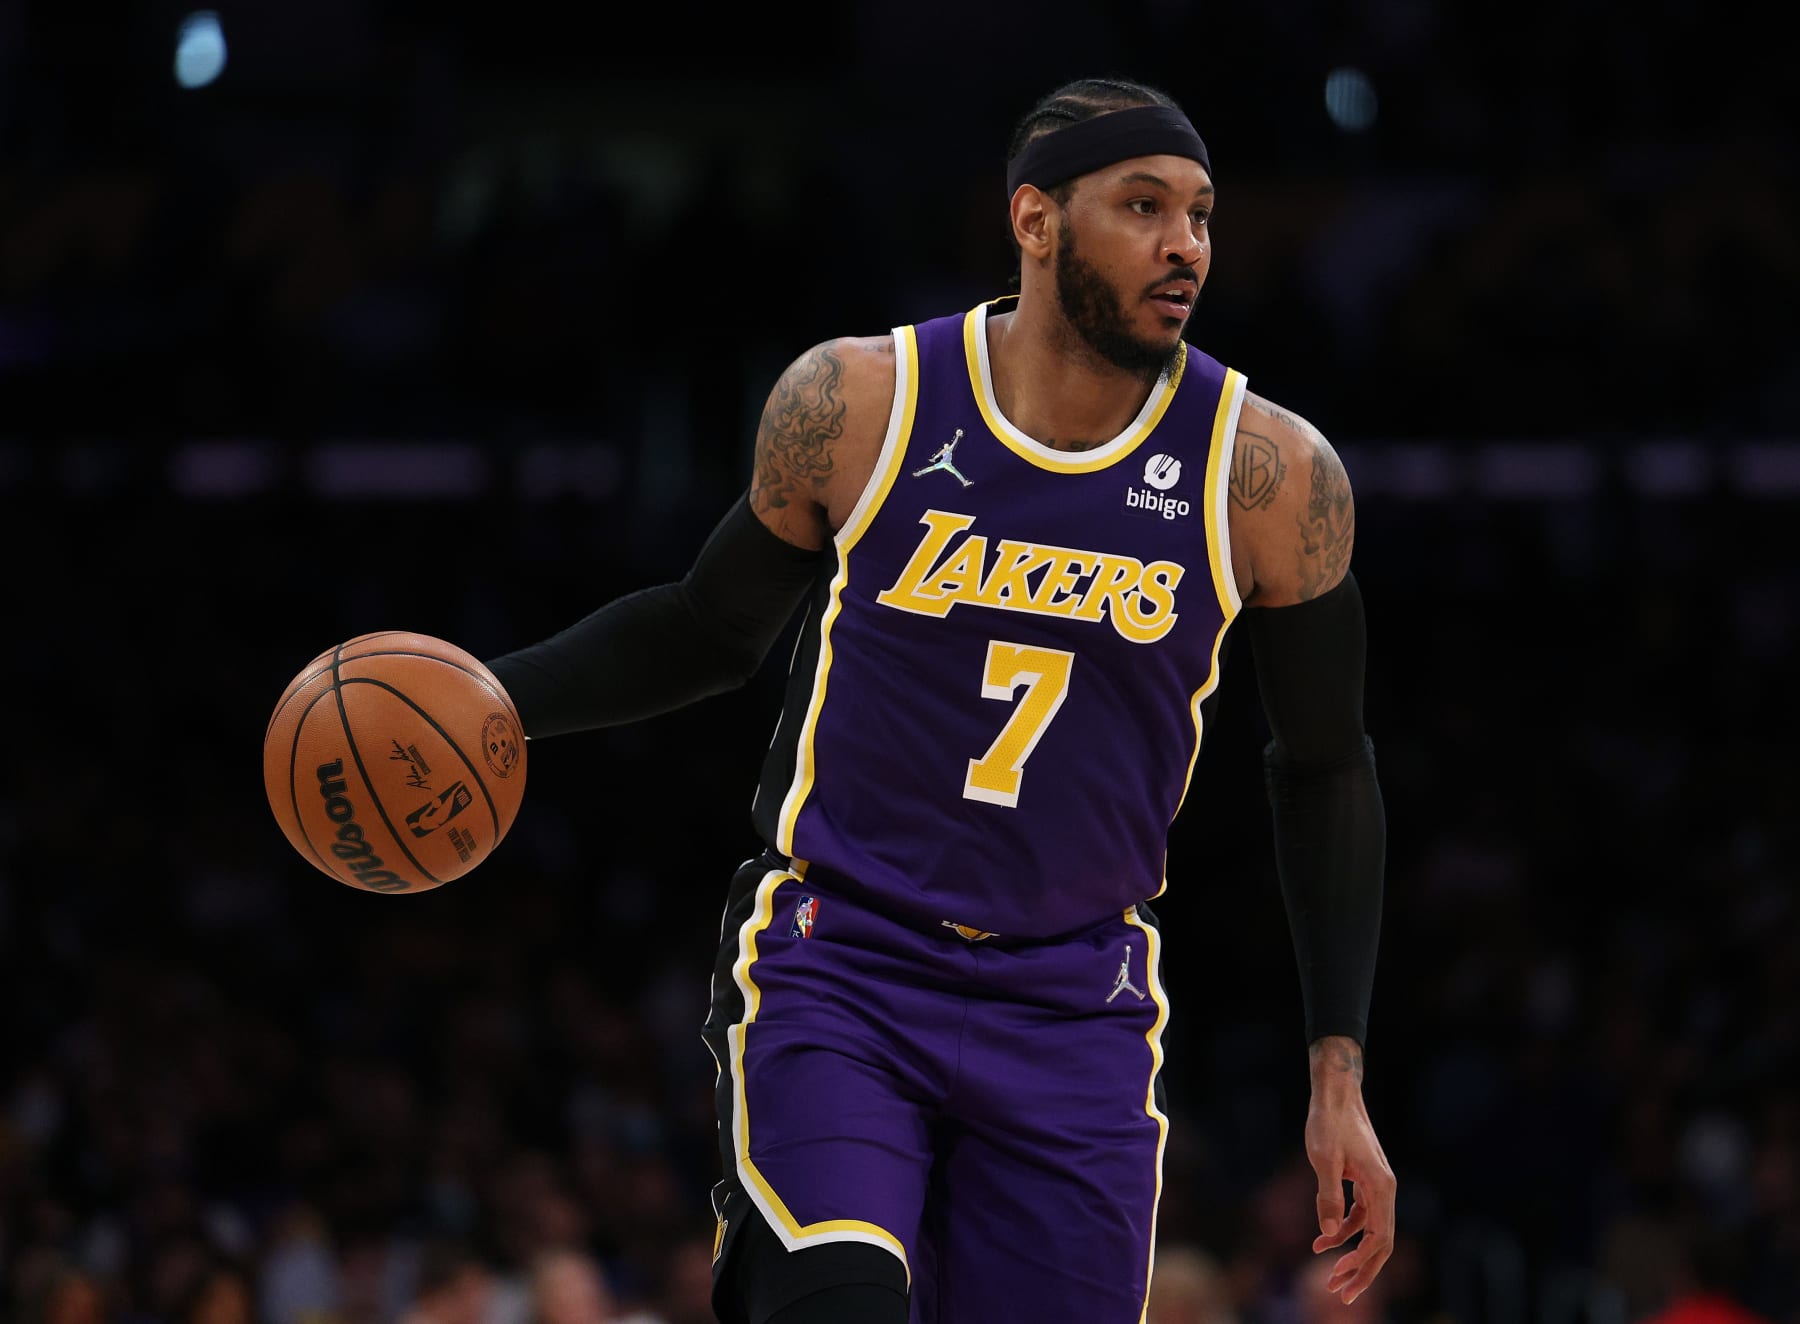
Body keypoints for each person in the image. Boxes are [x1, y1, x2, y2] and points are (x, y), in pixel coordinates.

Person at [484, 75, 1393, 1324]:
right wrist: (494, 698)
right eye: (1144, 206)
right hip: (845, 961)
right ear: (1035, 219)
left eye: (1200, 214)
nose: (1186, 244)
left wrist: (1337, 1071)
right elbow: (707, 627)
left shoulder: (1269, 473)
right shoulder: (863, 400)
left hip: (1075, 998)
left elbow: (1325, 764)